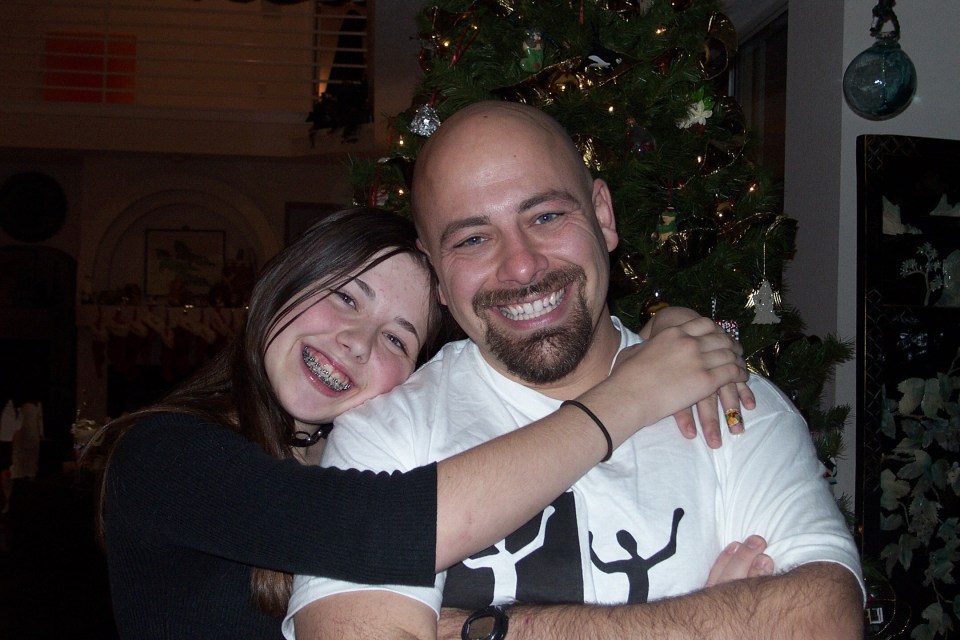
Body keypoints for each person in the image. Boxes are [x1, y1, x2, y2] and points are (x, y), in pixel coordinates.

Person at [286, 103, 865, 639]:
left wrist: (482, 629)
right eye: (472, 238)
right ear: (436, 272)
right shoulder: (385, 432)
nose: (520, 264)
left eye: (545, 215)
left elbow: (826, 618)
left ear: (604, 216)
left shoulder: (728, 399)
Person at [97, 207, 750, 639]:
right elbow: (364, 526)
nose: (356, 341)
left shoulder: (374, 457)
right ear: (283, 279)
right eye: (345, 296)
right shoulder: (161, 453)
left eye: (397, 339)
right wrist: (626, 395)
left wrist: (646, 334)